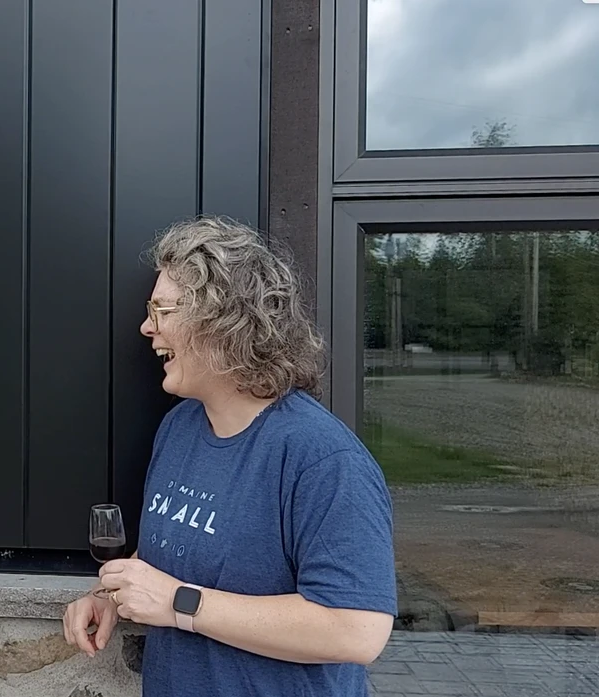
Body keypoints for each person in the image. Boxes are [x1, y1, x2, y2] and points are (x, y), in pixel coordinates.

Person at [62, 216, 397, 696]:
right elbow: (176, 551)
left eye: (161, 310)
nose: (146, 327)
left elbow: (357, 630)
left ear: (221, 321)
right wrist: (112, 595)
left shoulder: (322, 458)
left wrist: (180, 603)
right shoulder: (179, 428)